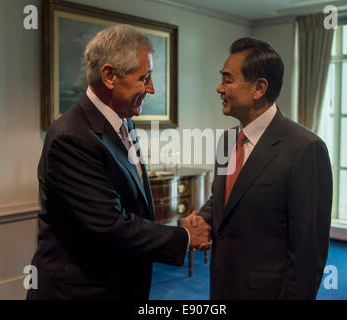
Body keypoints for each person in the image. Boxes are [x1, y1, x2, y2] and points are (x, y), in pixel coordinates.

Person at [27, 24, 210, 300]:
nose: (151, 88)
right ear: (109, 75)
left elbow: (133, 208)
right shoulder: (71, 138)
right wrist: (182, 237)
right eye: (144, 77)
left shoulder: (123, 122)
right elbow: (109, 226)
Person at [184, 37, 332, 299]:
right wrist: (203, 219)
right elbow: (224, 200)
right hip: (222, 286)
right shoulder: (227, 140)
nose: (219, 88)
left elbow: (308, 254)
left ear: (259, 87)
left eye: (227, 80)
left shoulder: (306, 149)